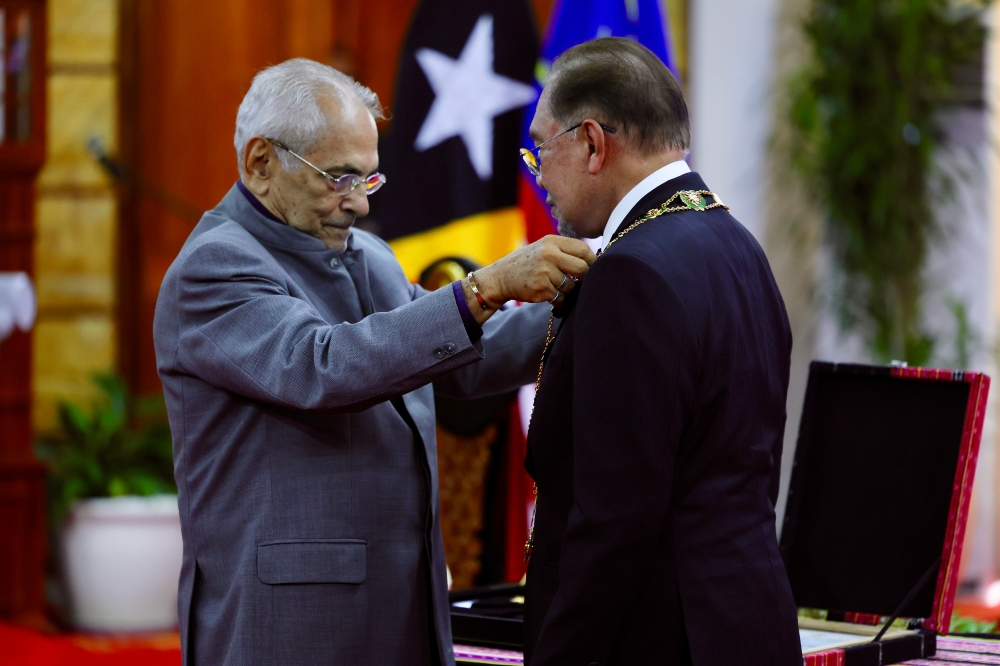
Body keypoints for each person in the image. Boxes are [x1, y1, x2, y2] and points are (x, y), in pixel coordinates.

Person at [152, 58, 594, 666]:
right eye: (338, 178)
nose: (358, 204)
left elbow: (461, 358)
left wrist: (590, 304)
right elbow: (323, 366)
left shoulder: (371, 256)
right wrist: (484, 287)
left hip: (407, 606)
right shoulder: (214, 268)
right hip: (290, 623)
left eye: (368, 180)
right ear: (260, 163)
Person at [522, 38, 802, 665]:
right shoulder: (735, 243)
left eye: (542, 148)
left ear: (592, 143)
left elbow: (614, 521)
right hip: (745, 622)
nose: (538, 174)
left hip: (659, 637)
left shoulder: (630, 274)